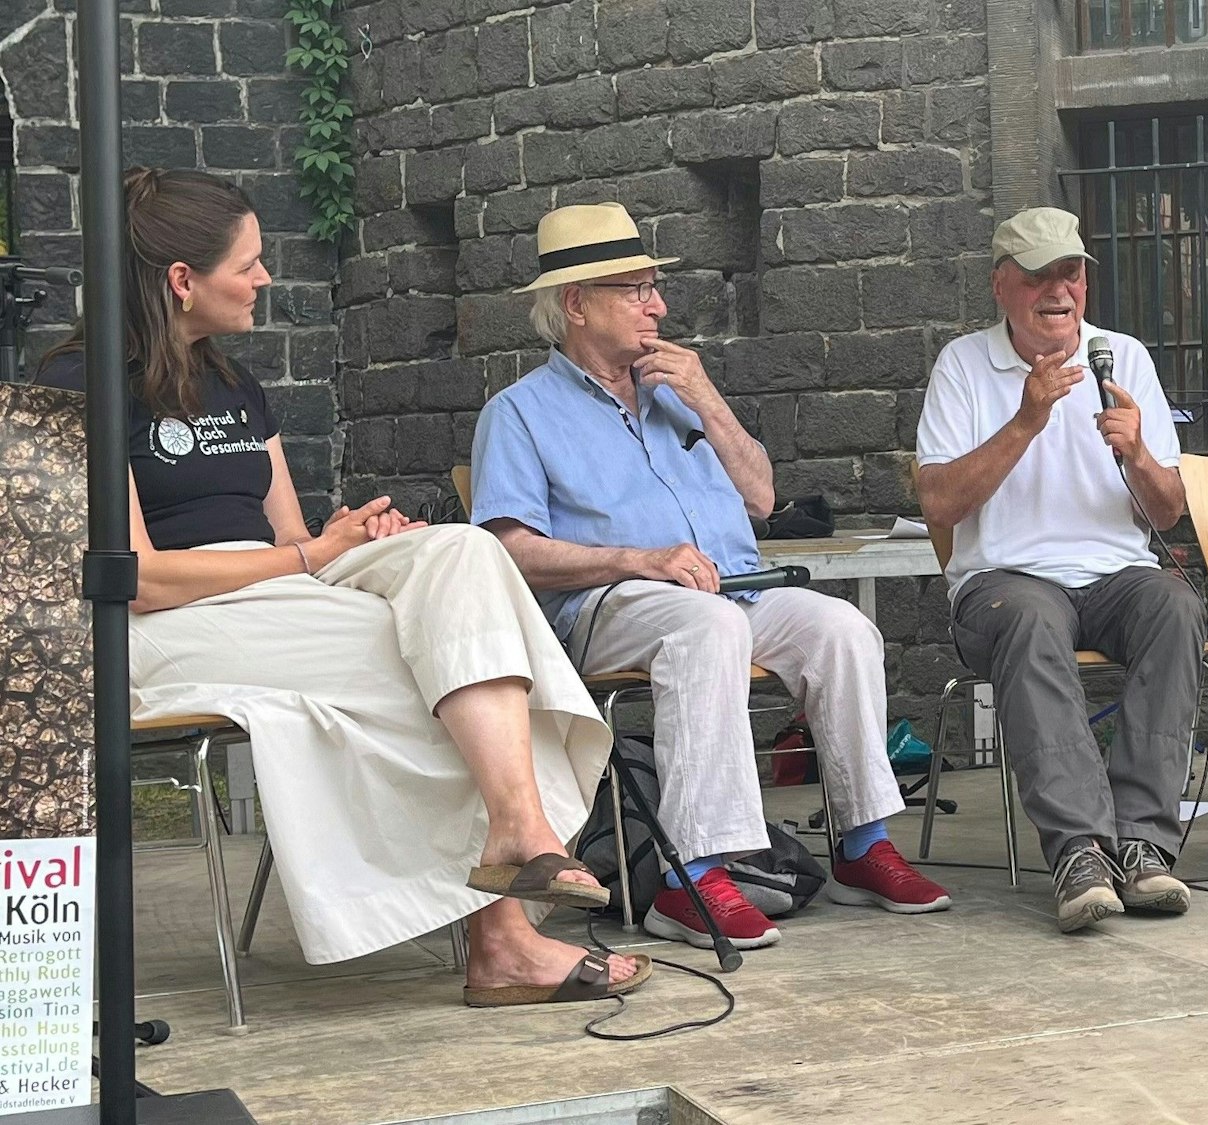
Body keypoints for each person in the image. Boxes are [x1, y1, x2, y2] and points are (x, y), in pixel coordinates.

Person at [37, 168, 649, 1008]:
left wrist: (354, 538)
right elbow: (139, 576)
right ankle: (503, 931)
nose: (264, 278)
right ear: (182, 280)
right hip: (163, 622)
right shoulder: (78, 385)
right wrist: (307, 558)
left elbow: (294, 536)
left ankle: (517, 833)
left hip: (277, 593)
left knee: (461, 553)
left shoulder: (235, 385)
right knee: (435, 674)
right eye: (248, 264)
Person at [472, 202, 950, 952]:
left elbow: (761, 497)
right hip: (606, 606)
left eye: (653, 286)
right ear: (577, 303)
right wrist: (640, 558)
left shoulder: (677, 392)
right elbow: (508, 549)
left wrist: (709, 400)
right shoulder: (518, 413)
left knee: (842, 627)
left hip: (730, 590)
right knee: (711, 625)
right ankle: (689, 877)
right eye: (637, 289)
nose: (658, 306)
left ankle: (863, 845)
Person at [914, 206, 1207, 934]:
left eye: (1070, 273)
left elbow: (1168, 512)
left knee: (1176, 606)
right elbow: (939, 503)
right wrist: (1025, 422)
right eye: (1038, 275)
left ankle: (1142, 843)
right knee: (1032, 618)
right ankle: (1080, 850)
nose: (1058, 290)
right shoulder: (964, 364)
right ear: (1001, 286)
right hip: (1003, 580)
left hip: (1114, 575)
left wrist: (1140, 452)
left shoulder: (1123, 356)